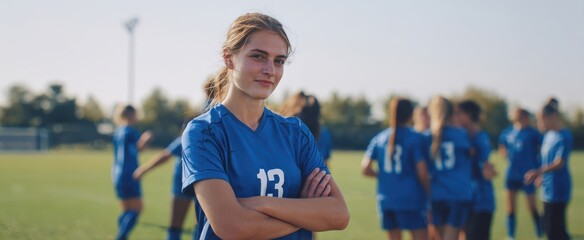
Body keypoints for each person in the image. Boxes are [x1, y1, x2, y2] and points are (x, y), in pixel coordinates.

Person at [180, 13, 349, 239]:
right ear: (229, 58)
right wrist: (303, 212)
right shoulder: (204, 132)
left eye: (279, 60)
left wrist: (264, 203)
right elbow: (232, 227)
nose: (270, 69)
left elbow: (338, 214)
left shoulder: (296, 133)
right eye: (258, 56)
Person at [361, 97, 430, 240]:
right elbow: (422, 172)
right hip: (411, 199)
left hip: (387, 200)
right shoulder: (415, 138)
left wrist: (384, 176)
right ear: (411, 115)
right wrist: (431, 192)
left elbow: (365, 168)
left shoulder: (379, 138)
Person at [426, 96, 472, 240]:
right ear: (451, 113)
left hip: (436, 194)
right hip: (457, 193)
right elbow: (470, 155)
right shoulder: (461, 134)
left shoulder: (426, 137)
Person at [525, 105, 573, 240]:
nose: (539, 124)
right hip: (546, 188)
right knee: (548, 228)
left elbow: (559, 163)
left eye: (541, 120)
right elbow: (546, 160)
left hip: (558, 188)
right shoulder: (548, 136)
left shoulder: (564, 136)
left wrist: (537, 172)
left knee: (556, 231)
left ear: (552, 117)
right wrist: (540, 177)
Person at [133, 136, 191, 240]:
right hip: (196, 182)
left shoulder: (191, 133)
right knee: (198, 224)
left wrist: (143, 169)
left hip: (190, 182)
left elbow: (166, 155)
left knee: (178, 224)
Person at [498, 108, 544, 240]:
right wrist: (503, 152)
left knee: (531, 207)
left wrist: (539, 173)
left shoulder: (533, 134)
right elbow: (502, 145)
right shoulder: (508, 132)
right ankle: (510, 235)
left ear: (523, 116)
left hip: (528, 175)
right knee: (510, 207)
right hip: (512, 174)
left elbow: (541, 151)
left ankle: (539, 232)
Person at [111, 104, 153, 240]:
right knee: (137, 209)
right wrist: (145, 139)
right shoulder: (130, 131)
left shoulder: (118, 131)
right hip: (129, 173)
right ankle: (120, 237)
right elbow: (138, 148)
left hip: (117, 173)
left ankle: (120, 234)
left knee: (126, 210)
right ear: (131, 115)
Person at [457, 100, 496, 240]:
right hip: (465, 200)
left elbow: (486, 171)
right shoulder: (461, 137)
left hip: (481, 202)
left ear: (468, 115)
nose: (456, 118)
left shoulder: (480, 138)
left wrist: (489, 170)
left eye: (459, 114)